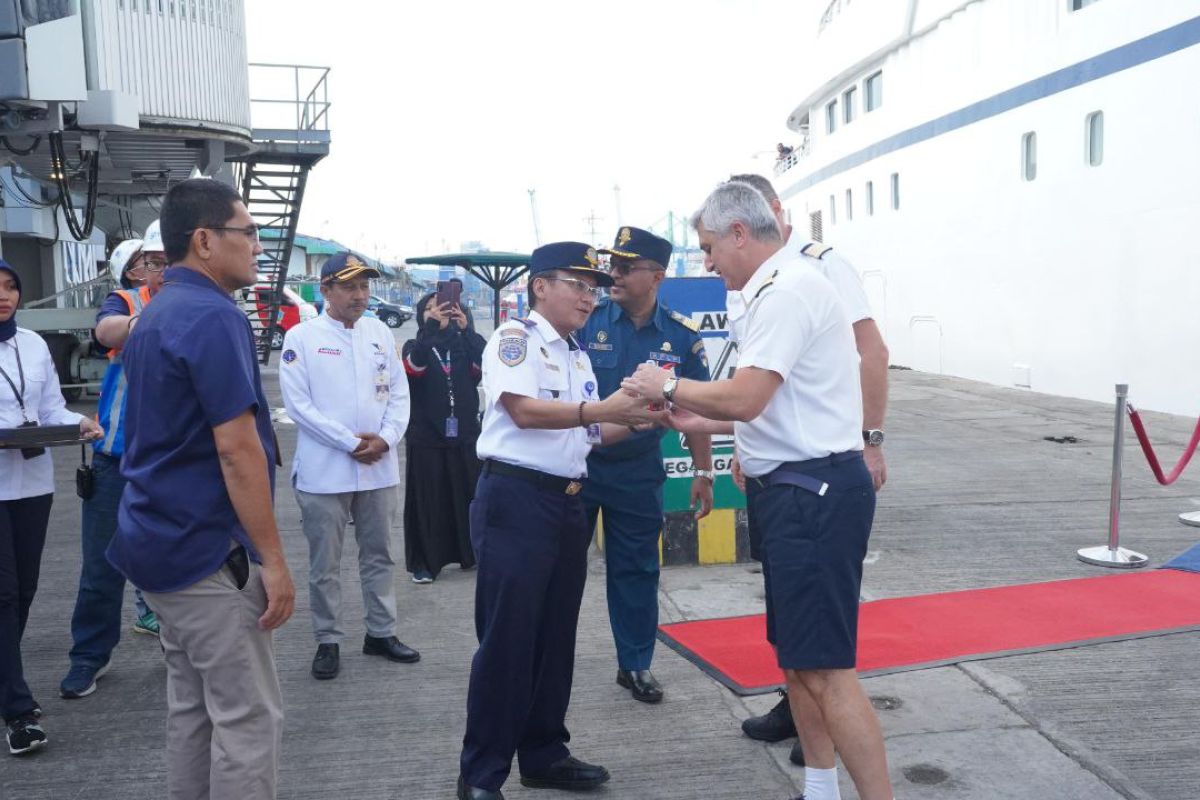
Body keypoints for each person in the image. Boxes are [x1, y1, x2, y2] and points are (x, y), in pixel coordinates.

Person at [622, 181, 894, 800]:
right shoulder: (777, 290)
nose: (708, 262)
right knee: (798, 660)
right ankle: (820, 788)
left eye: (711, 247)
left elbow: (746, 394)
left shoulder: (787, 290)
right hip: (794, 491)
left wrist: (665, 386)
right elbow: (773, 404)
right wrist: (699, 420)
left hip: (812, 496)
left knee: (828, 669)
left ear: (741, 233)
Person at [106, 178, 295, 799]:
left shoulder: (156, 311)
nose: (258, 246)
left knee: (193, 712)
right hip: (204, 552)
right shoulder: (214, 316)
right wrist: (273, 559)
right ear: (206, 241)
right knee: (246, 719)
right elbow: (237, 451)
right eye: (248, 233)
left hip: (155, 541)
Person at [457, 242, 666, 800]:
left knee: (555, 638)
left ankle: (544, 753)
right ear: (539, 286)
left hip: (567, 502)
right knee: (507, 641)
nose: (589, 296)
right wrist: (604, 410)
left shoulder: (575, 354)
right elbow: (524, 411)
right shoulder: (515, 340)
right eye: (577, 284)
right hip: (516, 500)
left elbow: (591, 434)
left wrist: (646, 418)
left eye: (594, 287)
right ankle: (481, 774)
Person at [727, 173, 890, 756]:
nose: (711, 258)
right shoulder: (749, 282)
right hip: (780, 473)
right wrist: (749, 445)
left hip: (819, 472)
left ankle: (822, 728)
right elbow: (764, 383)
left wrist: (870, 439)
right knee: (795, 638)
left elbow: (870, 352)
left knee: (823, 654)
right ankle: (802, 723)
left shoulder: (814, 270)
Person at [579, 226, 713, 704]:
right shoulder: (584, 322)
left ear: (656, 276)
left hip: (637, 474)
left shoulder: (681, 337)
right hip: (577, 468)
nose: (612, 274)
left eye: (624, 267)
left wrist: (703, 472)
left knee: (636, 571)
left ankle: (635, 664)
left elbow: (697, 414)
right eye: (611, 265)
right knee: (560, 570)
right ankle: (545, 657)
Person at [279, 251, 419, 681]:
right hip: (326, 468)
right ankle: (328, 639)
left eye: (364, 286)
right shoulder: (301, 338)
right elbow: (298, 406)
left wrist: (387, 438)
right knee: (326, 562)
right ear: (325, 290)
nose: (360, 295)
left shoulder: (379, 332)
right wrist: (348, 442)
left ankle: (380, 631)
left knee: (380, 554)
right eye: (350, 286)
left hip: (378, 465)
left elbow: (399, 394)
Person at [59, 224, 168, 702]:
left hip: (176, 464)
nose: (163, 269)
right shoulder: (128, 302)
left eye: (172, 259)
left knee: (177, 567)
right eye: (156, 261)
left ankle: (183, 651)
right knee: (102, 568)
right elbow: (105, 332)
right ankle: (88, 658)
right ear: (143, 264)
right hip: (115, 461)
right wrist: (155, 317)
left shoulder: (212, 308)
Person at [1, 258, 104, 755]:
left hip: (33, 482)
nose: (4, 295)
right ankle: (18, 710)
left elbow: (46, 410)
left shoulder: (34, 345)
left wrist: (77, 421)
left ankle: (5, 680)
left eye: (10, 286)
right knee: (2, 594)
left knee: (24, 591)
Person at [401, 290, 486, 583]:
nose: (439, 313)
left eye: (446, 309)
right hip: (427, 436)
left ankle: (470, 553)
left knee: (470, 495)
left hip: (464, 434)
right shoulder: (415, 344)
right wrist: (430, 330)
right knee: (429, 500)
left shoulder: (464, 345)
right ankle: (426, 562)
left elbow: (485, 365)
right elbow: (415, 367)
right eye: (431, 309)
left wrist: (467, 329)